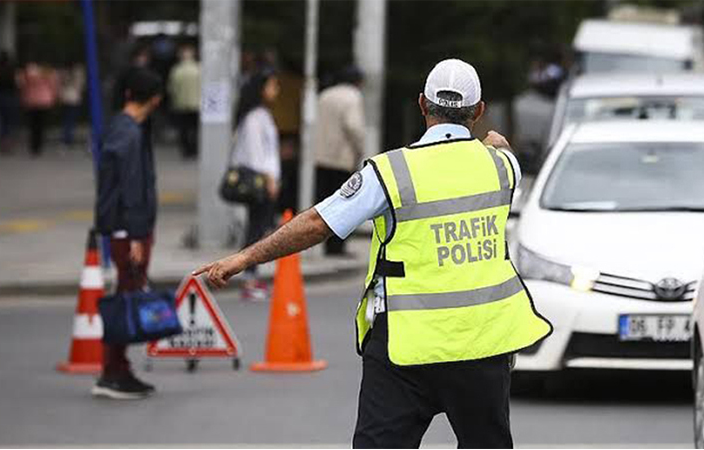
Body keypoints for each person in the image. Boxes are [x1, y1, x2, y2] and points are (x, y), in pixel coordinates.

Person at [194, 59, 553, 448]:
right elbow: (500, 146)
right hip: (483, 344)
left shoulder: (390, 172)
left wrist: (245, 258)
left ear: (421, 104)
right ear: (479, 110)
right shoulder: (502, 167)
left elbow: (318, 223)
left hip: (404, 347)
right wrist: (495, 141)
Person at [94, 68, 162, 400]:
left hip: (122, 227)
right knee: (126, 298)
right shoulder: (131, 134)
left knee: (126, 295)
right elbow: (132, 188)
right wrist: (136, 235)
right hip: (128, 230)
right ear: (155, 99)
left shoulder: (119, 127)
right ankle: (113, 371)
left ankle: (117, 368)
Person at [231, 66, 281, 301]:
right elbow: (256, 153)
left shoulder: (261, 114)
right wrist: (269, 179)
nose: (276, 90)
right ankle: (248, 278)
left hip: (264, 180)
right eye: (272, 85)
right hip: (259, 181)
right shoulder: (254, 118)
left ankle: (252, 275)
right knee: (256, 229)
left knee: (259, 227)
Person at [314, 65, 366, 256]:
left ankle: (326, 244)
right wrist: (359, 150)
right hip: (342, 158)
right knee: (344, 204)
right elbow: (354, 126)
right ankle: (338, 247)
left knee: (325, 203)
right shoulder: (353, 97)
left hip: (321, 157)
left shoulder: (325, 95)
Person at [17, 59, 58, 156]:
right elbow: (53, 86)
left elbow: (21, 84)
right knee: (41, 125)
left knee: (33, 125)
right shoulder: (48, 72)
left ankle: (33, 146)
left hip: (31, 101)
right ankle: (39, 146)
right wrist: (54, 97)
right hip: (44, 100)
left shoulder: (28, 72)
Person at [167, 45, 201, 159]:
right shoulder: (199, 69)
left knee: (184, 129)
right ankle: (195, 149)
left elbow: (171, 89)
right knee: (195, 128)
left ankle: (186, 150)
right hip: (197, 104)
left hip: (181, 104)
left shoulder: (176, 70)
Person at [59, 62, 86, 147]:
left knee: (67, 119)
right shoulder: (77, 73)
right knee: (71, 119)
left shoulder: (64, 73)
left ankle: (67, 137)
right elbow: (81, 85)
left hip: (66, 98)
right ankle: (68, 137)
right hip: (74, 98)